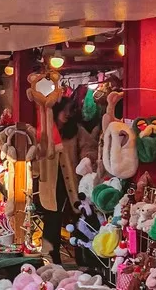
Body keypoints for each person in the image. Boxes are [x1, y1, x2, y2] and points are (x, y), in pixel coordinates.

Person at [39, 95, 98, 265]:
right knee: (52, 219)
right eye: (64, 109)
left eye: (70, 110)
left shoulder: (77, 130)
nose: (67, 114)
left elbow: (90, 148)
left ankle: (83, 259)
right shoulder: (45, 130)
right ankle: (49, 259)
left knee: (80, 218)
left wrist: (87, 159)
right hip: (51, 182)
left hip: (74, 182)